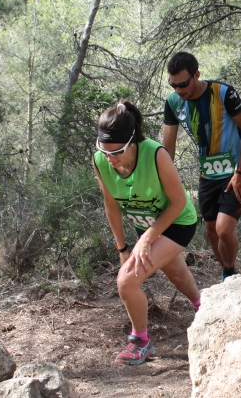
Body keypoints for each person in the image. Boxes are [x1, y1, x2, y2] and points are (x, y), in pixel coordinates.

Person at [93, 99, 202, 366]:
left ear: (133, 142)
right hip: (146, 225)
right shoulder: (101, 161)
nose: (110, 158)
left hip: (177, 222)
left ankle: (141, 342)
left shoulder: (155, 154)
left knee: (126, 281)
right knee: (175, 272)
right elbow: (112, 206)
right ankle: (205, 309)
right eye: (104, 150)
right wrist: (122, 248)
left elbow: (178, 203)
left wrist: (146, 240)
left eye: (117, 151)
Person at [162, 51, 241, 281]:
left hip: (237, 170)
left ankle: (231, 269)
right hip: (208, 172)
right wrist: (163, 183)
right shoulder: (174, 102)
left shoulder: (223, 93)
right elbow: (168, 149)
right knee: (211, 230)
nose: (179, 90)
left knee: (224, 229)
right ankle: (227, 271)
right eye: (173, 85)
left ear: (197, 75)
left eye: (183, 84)